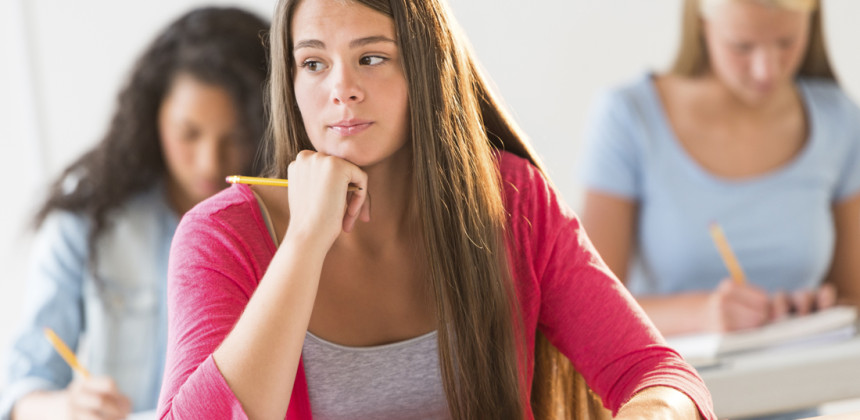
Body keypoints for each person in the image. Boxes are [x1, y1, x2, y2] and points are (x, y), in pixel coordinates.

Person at [157, 0, 716, 419]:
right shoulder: (219, 236)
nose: (341, 89)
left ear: (425, 67)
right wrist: (304, 241)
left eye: (371, 57)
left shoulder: (514, 201)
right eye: (313, 64)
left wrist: (653, 411)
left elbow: (657, 373)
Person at [579, 0, 860, 418]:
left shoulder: (839, 120)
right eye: (742, 46)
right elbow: (588, 313)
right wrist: (703, 314)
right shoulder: (629, 118)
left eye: (786, 42)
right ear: (701, 20)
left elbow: (852, 298)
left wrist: (817, 313)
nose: (767, 69)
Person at [0, 7, 269, 420]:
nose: (209, 164)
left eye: (236, 138)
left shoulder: (290, 219)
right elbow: (21, 390)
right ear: (153, 115)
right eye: (189, 134)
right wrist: (65, 409)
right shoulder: (91, 214)